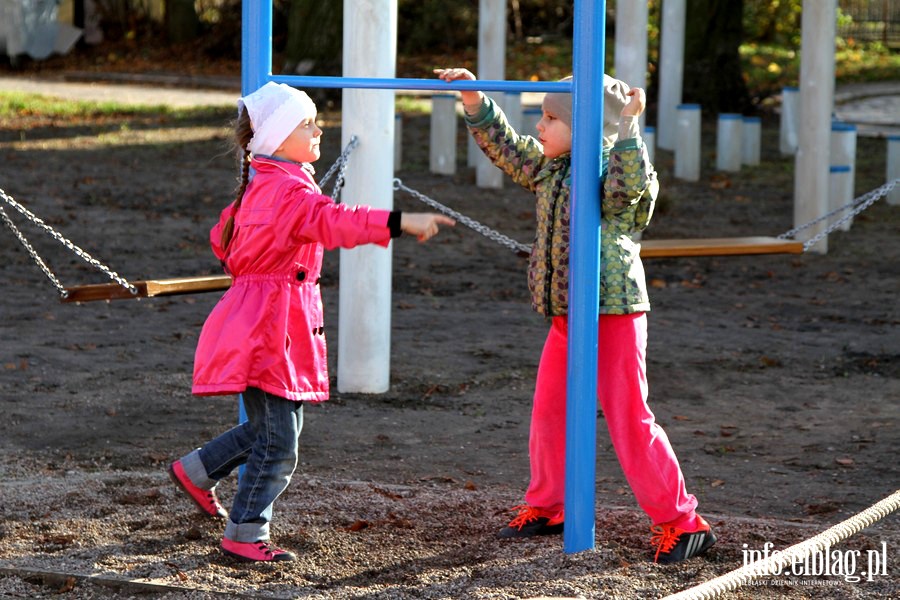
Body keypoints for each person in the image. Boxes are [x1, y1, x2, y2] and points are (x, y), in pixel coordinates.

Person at [434, 68, 716, 564]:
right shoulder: (549, 166)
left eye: (550, 118)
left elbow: (627, 194)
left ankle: (682, 522)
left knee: (629, 419)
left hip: (613, 314)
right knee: (548, 413)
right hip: (568, 317)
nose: (539, 126)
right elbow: (506, 146)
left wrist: (628, 128)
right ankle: (550, 506)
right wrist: (475, 99)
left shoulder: (615, 168)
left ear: (585, 126)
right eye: (541, 115)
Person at [167, 82, 454, 563]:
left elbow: (223, 238)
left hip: (262, 320)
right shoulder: (287, 191)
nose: (319, 130)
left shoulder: (265, 180)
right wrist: (398, 221)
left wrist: (259, 270)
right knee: (280, 443)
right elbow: (334, 221)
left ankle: (197, 471)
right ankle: (244, 534)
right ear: (278, 138)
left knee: (272, 428)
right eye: (307, 123)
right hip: (272, 328)